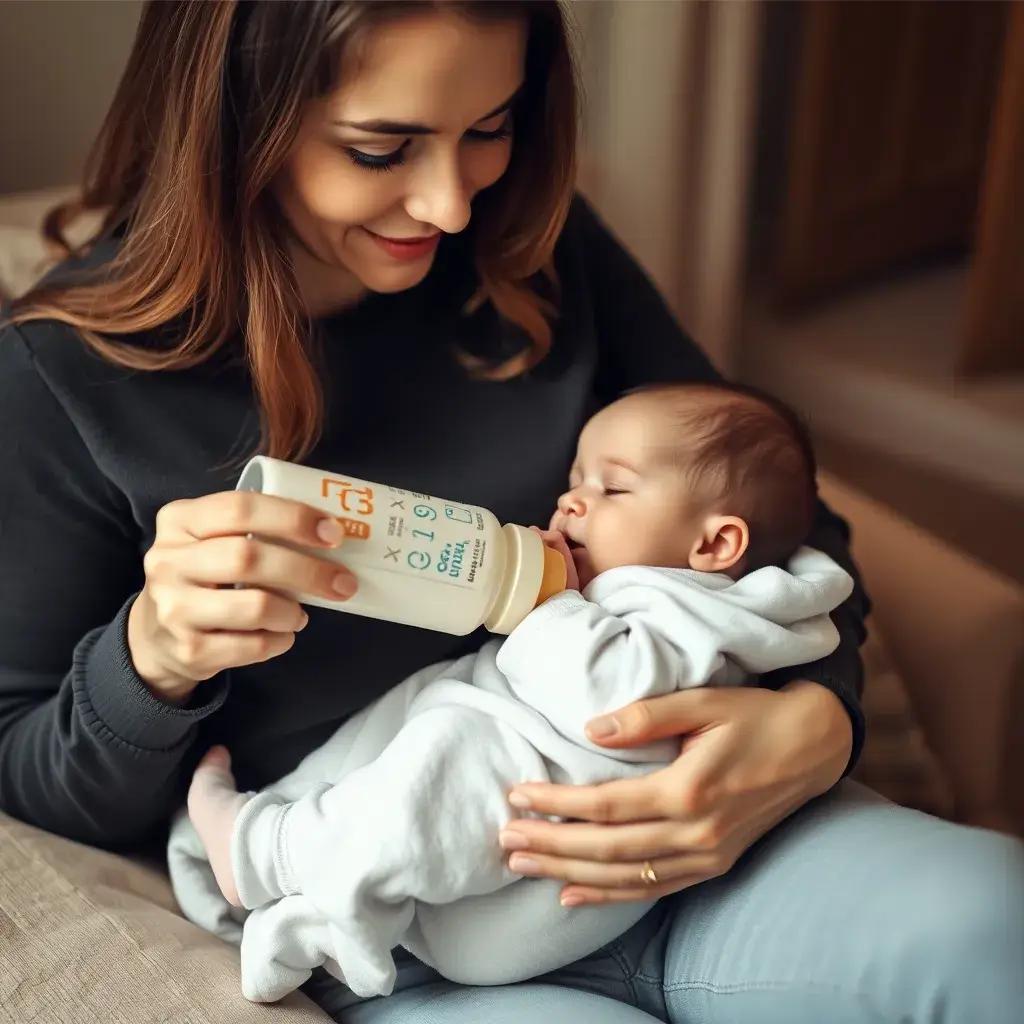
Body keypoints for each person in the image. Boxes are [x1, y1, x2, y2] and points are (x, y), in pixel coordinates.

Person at [0, 3, 1020, 1022]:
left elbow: (779, 525)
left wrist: (815, 722)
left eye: (488, 128)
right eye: (382, 147)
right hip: (417, 933)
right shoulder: (62, 379)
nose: (448, 206)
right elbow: (31, 780)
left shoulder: (536, 250)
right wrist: (152, 663)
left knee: (993, 921)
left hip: (694, 850)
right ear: (231, 120)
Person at [173, 382, 855, 1003]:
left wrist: (542, 603)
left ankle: (268, 851)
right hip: (485, 877)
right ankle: (295, 877)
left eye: (613, 490)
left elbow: (611, 700)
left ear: (715, 544)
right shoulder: (670, 596)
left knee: (452, 748)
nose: (570, 502)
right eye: (574, 482)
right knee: (413, 719)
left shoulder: (699, 614)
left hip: (527, 876)